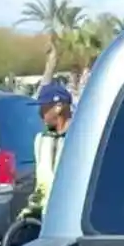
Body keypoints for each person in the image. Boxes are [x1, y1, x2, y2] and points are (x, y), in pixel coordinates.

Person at [27, 80, 73, 218]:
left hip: (70, 216)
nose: (40, 113)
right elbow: (42, 183)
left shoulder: (79, 138)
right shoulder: (40, 140)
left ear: (58, 107)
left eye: (44, 107)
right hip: (47, 219)